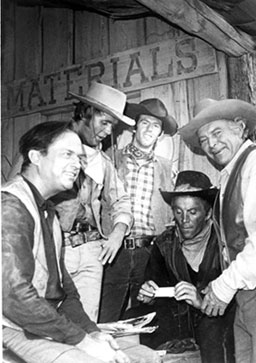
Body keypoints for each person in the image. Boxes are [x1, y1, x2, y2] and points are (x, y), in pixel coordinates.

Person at [179, 98, 256, 363]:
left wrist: (224, 285)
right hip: (249, 292)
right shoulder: (232, 173)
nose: (211, 144)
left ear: (240, 128)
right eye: (204, 139)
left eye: (217, 132)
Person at [2, 121, 131, 363]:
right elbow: (13, 297)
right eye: (67, 154)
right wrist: (81, 340)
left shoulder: (48, 212)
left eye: (80, 157)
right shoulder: (10, 206)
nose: (77, 165)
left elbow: (64, 292)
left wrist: (92, 332)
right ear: (35, 156)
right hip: (10, 329)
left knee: (135, 354)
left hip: (36, 324)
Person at [49, 81, 135, 322]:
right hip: (56, 250)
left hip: (92, 252)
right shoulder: (48, 144)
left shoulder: (104, 162)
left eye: (113, 126)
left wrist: (118, 233)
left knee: (87, 325)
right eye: (105, 122)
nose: (108, 131)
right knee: (50, 325)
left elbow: (121, 201)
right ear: (86, 113)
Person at [136, 170, 235, 363]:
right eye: (178, 211)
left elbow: (238, 300)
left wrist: (201, 301)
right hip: (180, 323)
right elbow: (154, 287)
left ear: (207, 214)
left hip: (221, 322)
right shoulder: (164, 244)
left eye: (192, 212)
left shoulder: (226, 242)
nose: (184, 220)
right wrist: (147, 295)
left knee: (211, 327)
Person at [99, 98, 178, 323]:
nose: (149, 130)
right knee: (106, 317)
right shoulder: (112, 160)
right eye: (145, 123)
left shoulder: (166, 167)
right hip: (115, 251)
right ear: (135, 126)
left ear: (160, 134)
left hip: (149, 252)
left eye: (155, 126)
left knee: (145, 319)